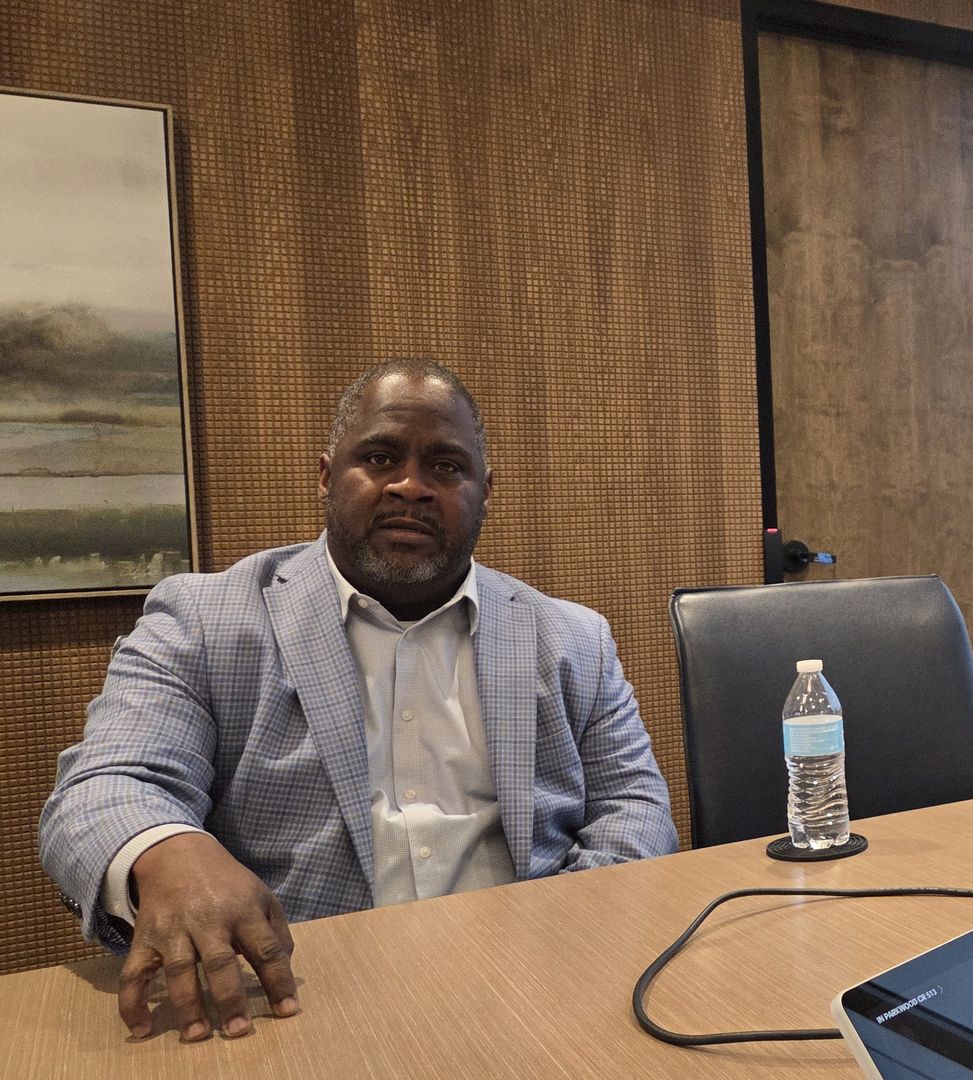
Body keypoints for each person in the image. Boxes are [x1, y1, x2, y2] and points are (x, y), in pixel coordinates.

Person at [40, 359, 677, 1041]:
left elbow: (633, 806)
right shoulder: (205, 621)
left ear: (486, 493)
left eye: (446, 467)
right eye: (379, 458)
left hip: (534, 988)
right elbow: (105, 787)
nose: (411, 486)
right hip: (300, 1001)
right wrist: (167, 850)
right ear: (326, 477)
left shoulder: (571, 637)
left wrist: (564, 933)